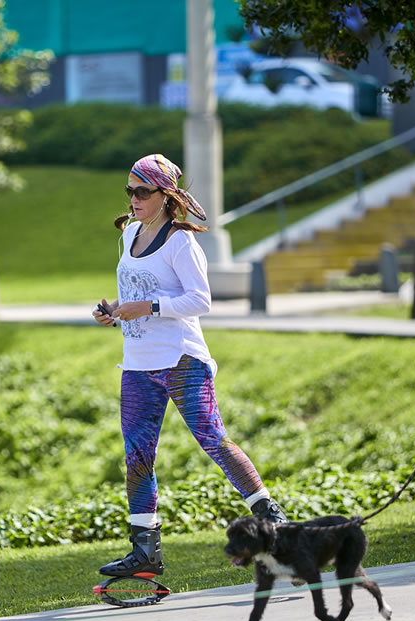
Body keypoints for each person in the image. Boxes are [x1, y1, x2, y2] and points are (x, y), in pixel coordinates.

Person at [92, 153, 286, 578]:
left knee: (213, 440)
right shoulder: (130, 233)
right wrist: (114, 309)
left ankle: (274, 520)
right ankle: (145, 550)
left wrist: (148, 306)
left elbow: (200, 299)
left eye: (143, 192)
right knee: (137, 457)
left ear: (165, 195)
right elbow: (138, 290)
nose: (134, 199)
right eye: (130, 191)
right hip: (137, 364)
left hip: (181, 360)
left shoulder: (180, 242)